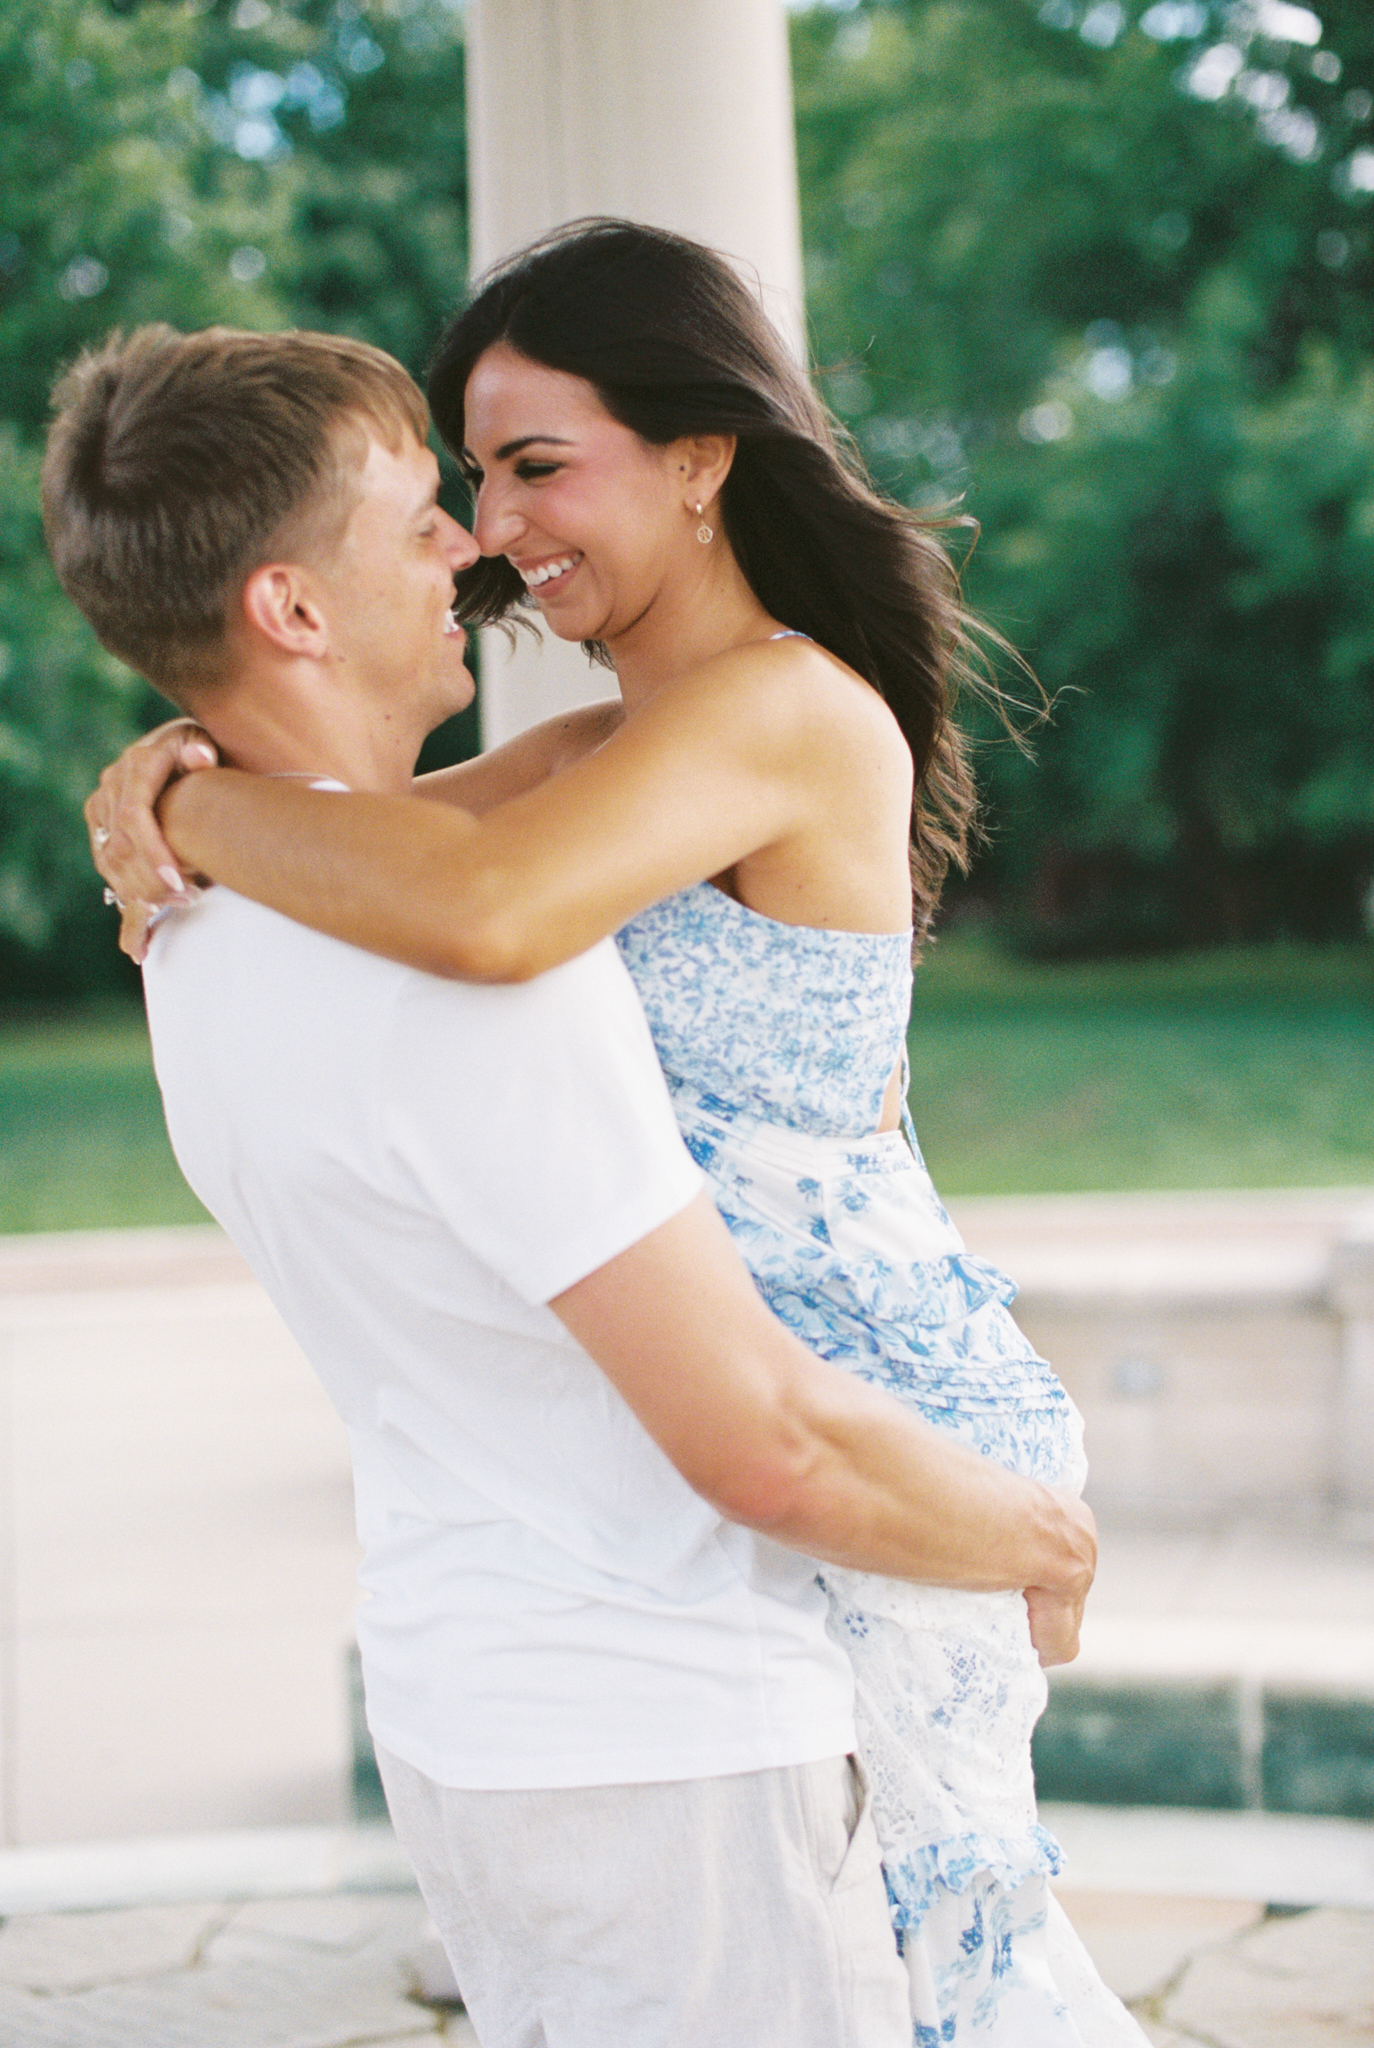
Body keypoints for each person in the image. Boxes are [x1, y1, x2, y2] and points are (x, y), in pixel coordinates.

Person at [47, 319, 1099, 2048]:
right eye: (424, 509)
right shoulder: (479, 968)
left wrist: (185, 792)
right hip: (665, 1733)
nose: (469, 542)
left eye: (514, 472)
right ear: (292, 611)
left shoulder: (198, 933)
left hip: (473, 1707)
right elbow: (761, 1440)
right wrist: (1032, 1536)